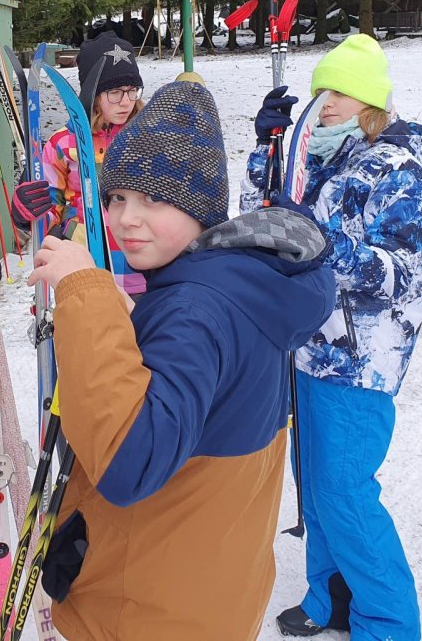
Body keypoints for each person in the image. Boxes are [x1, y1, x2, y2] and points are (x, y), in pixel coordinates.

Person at [27, 80, 335, 640]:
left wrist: (87, 297)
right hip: (209, 595)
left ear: (201, 208)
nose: (126, 218)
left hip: (148, 612)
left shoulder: (193, 311)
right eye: (118, 197)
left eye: (153, 200)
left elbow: (129, 462)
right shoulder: (244, 283)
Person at [241, 33, 422, 641]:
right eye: (321, 90)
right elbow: (263, 222)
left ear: (370, 100)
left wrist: (325, 247)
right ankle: (331, 596)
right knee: (315, 487)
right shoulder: (325, 160)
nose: (325, 102)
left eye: (340, 91)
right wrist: (268, 151)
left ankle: (389, 624)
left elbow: (402, 275)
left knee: (345, 491)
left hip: (359, 360)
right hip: (307, 348)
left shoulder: (402, 171)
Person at [11, 30, 148, 295]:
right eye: (115, 92)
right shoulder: (62, 144)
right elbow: (51, 208)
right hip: (83, 266)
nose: (126, 102)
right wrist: (26, 211)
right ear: (93, 95)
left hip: (141, 270)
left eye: (132, 91)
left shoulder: (147, 136)